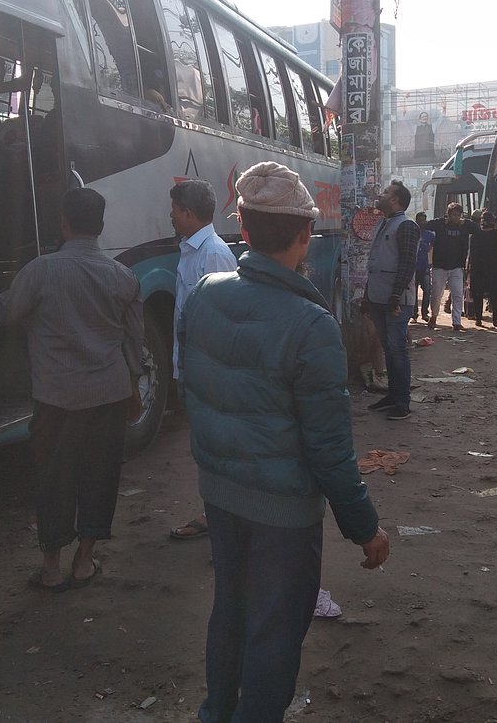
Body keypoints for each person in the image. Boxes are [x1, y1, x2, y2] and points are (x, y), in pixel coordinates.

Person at [179, 161, 390, 723]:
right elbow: (329, 450)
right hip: (283, 515)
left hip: (220, 495)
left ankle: (215, 712)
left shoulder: (202, 294)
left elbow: (194, 392)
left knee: (231, 612)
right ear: (304, 236)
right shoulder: (311, 325)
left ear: (243, 230)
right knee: (274, 632)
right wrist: (364, 527)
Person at [0, 188, 143, 593]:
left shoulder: (41, 271)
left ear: (63, 223)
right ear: (101, 226)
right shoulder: (123, 276)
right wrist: (133, 388)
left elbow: (3, 313)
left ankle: (52, 569)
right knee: (101, 476)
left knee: (55, 478)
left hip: (57, 399)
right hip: (109, 396)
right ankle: (84, 561)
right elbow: (133, 341)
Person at [167, 180, 238, 542]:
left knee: (216, 449)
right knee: (206, 449)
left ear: (190, 214)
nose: (171, 216)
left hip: (208, 372)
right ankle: (215, 513)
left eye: (176, 210)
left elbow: (223, 321)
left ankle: (222, 518)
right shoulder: (192, 249)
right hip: (194, 366)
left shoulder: (212, 253)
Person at [364, 181, 419, 420]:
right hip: (378, 296)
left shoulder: (406, 226)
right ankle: (393, 394)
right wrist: (367, 296)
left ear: (396, 200)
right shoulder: (384, 223)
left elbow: (407, 264)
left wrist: (395, 296)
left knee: (397, 350)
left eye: (386, 192)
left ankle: (402, 402)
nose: (381, 195)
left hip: (395, 299)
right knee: (389, 348)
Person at [422, 202, 479, 332]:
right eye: (454, 215)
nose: (456, 218)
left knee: (458, 294)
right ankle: (434, 315)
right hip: (439, 266)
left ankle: (456, 321)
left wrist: (466, 222)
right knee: (436, 294)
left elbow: (477, 229)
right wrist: (444, 220)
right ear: (448, 215)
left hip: (457, 266)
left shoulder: (464, 226)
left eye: (459, 215)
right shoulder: (441, 224)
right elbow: (428, 225)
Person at [466, 209, 497, 328]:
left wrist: (469, 268)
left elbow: (471, 253)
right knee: (494, 295)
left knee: (478, 294)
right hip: (494, 267)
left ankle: (478, 319)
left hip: (478, 268)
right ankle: (496, 320)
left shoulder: (475, 235)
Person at [411, 211, 435, 322]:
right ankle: (414, 314)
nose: (421, 222)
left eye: (423, 220)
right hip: (413, 267)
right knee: (413, 292)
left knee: (427, 290)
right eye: (419, 220)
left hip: (425, 266)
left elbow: (432, 248)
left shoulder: (430, 235)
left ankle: (425, 313)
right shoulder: (412, 233)